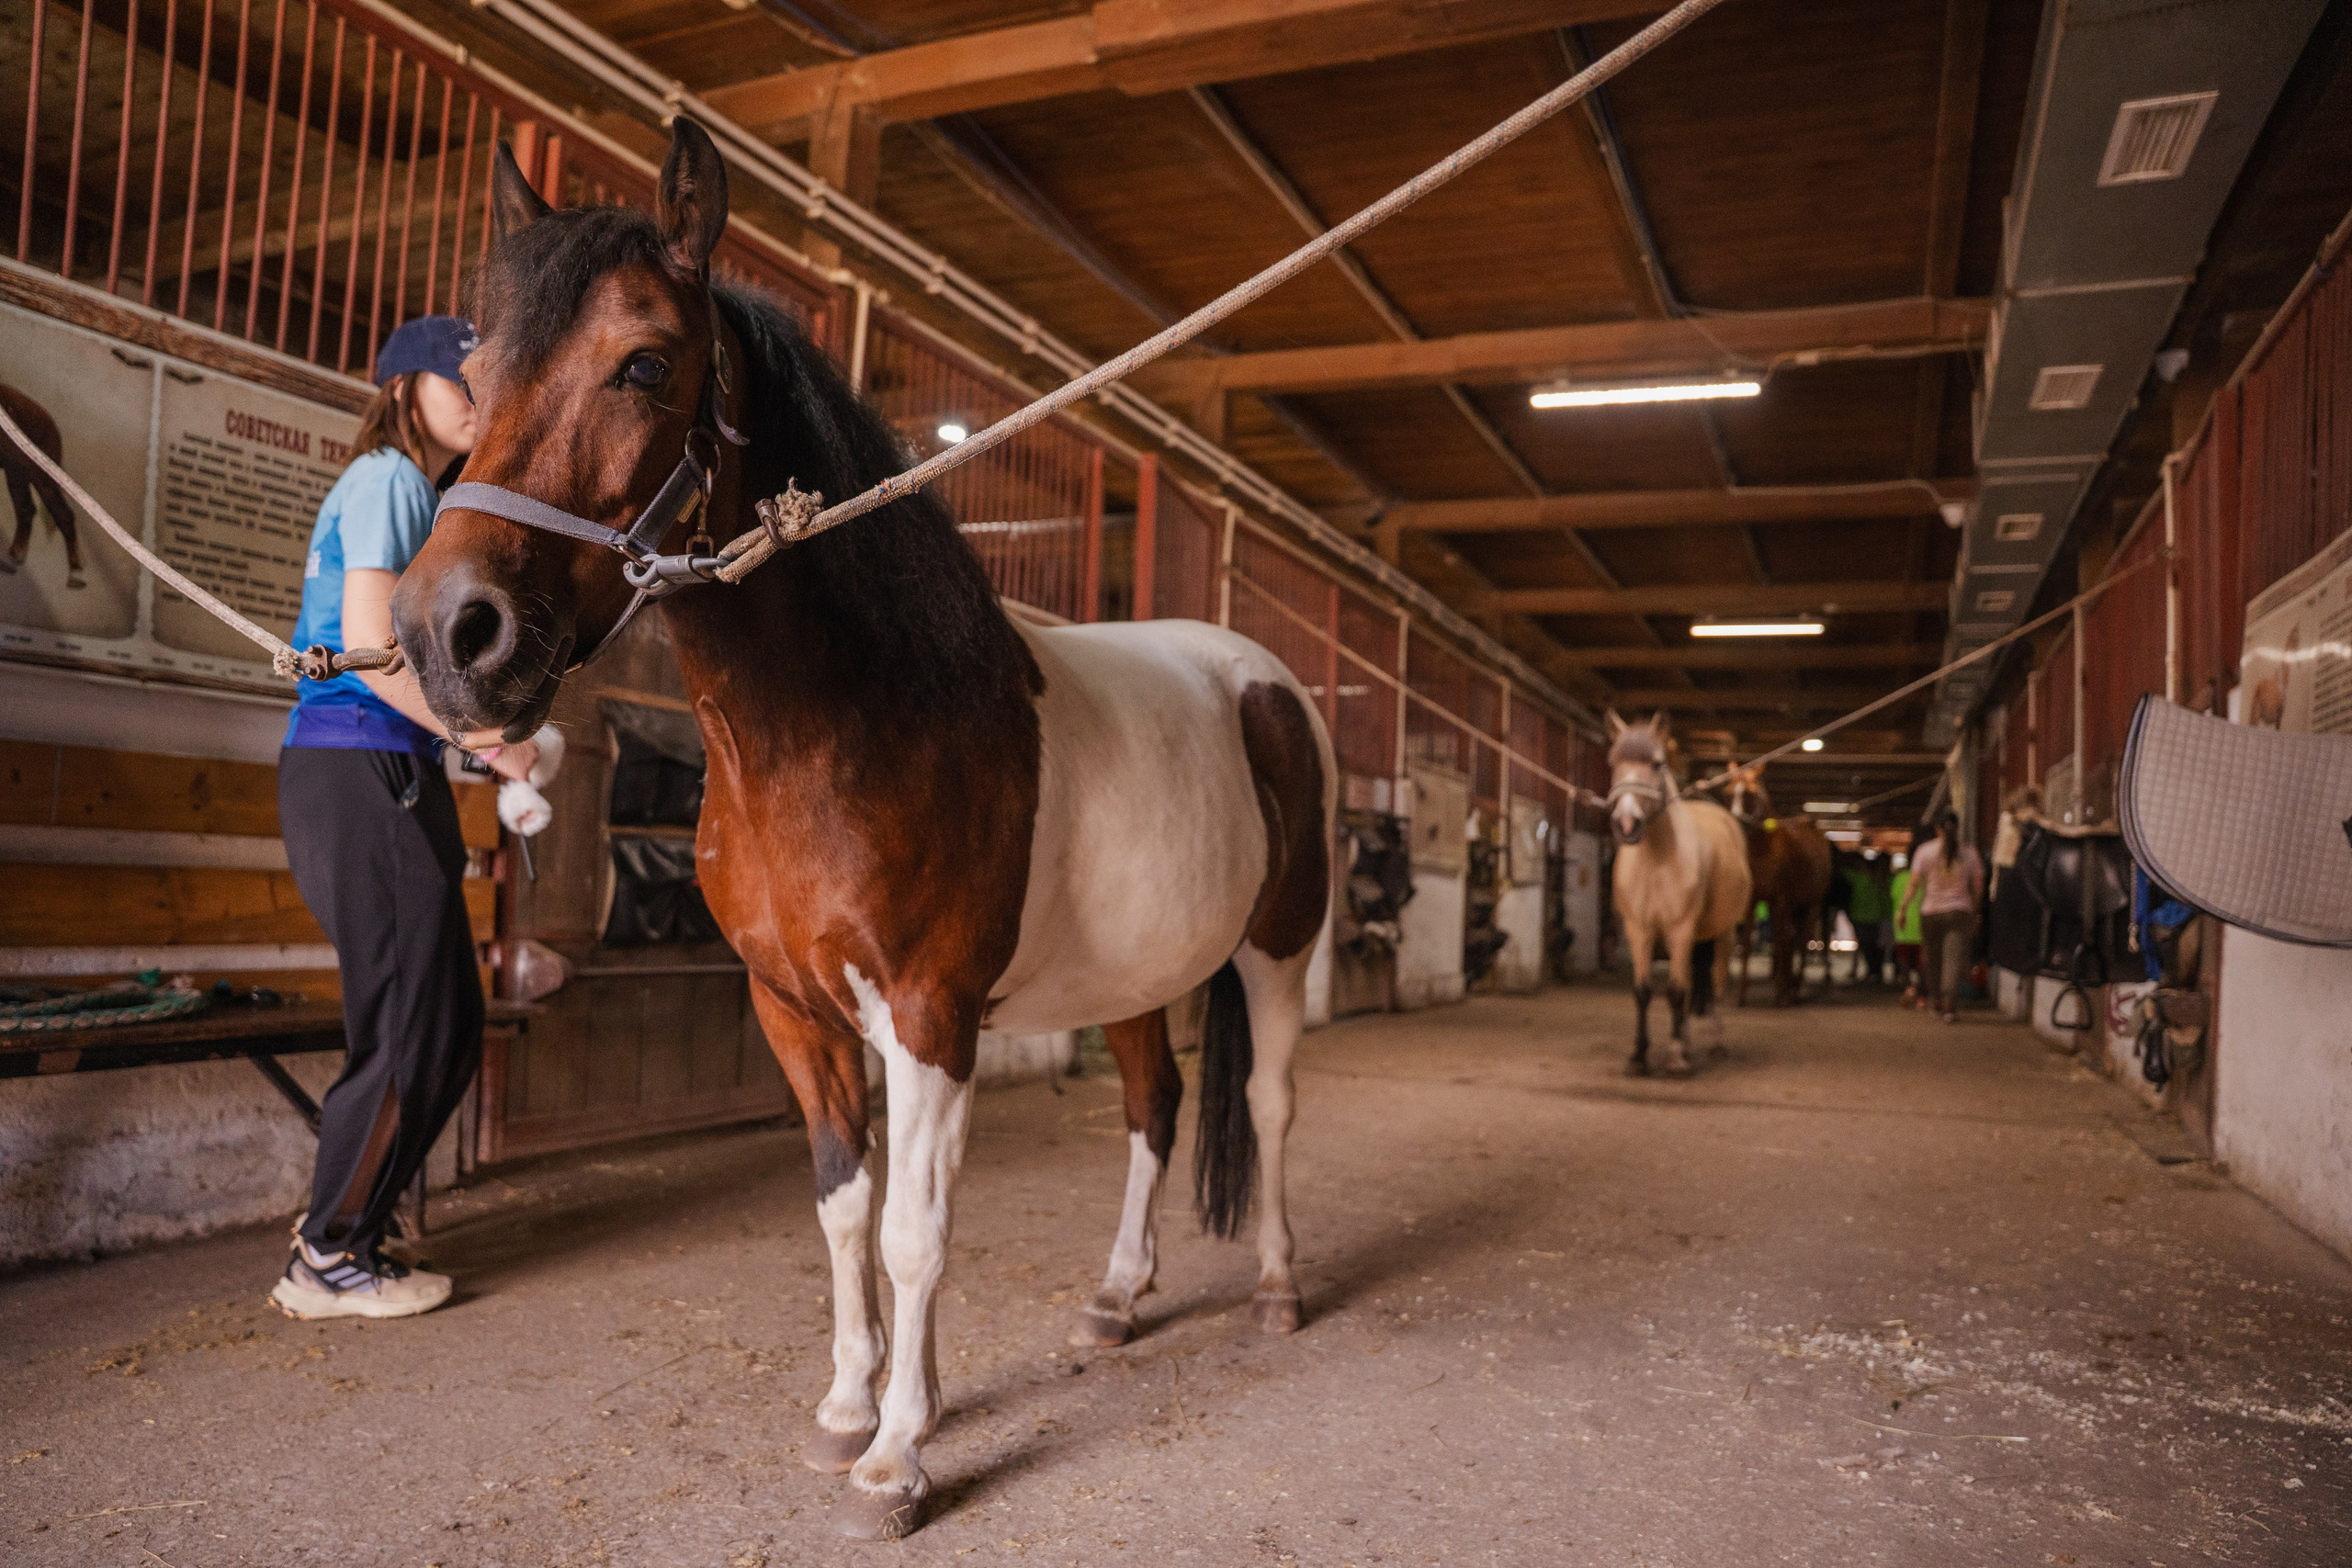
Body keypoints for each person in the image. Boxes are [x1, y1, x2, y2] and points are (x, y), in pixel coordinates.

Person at [271, 316, 540, 1321]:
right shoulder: (387, 479)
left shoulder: (422, 498)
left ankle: (346, 1228)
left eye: (483, 383)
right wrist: (483, 740)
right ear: (400, 389)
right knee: (409, 1019)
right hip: (356, 767)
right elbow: (370, 649)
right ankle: (331, 1256)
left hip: (390, 771)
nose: (474, 399)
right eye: (454, 380)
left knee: (445, 1020)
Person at [1898, 811, 1985, 1024]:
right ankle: (1949, 1006)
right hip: (1959, 911)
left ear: (1937, 829)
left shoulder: (1924, 851)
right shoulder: (1970, 853)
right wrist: (1974, 912)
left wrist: (1902, 908)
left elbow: (1914, 883)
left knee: (1933, 959)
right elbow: (1978, 886)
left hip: (1931, 912)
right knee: (1953, 959)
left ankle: (1936, 1000)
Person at [1843, 851, 1891, 983]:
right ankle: (1875, 971)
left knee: (1867, 946)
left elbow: (1842, 873)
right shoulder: (1884, 879)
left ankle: (1873, 971)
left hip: (1861, 918)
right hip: (1878, 917)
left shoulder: (1858, 878)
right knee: (1876, 947)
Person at [1891, 849, 1922, 1002]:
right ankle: (1921, 993)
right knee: (1922, 963)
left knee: (1904, 962)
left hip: (1903, 927)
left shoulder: (1900, 878)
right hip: (1922, 927)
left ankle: (1908, 988)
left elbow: (1894, 896)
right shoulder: (1926, 878)